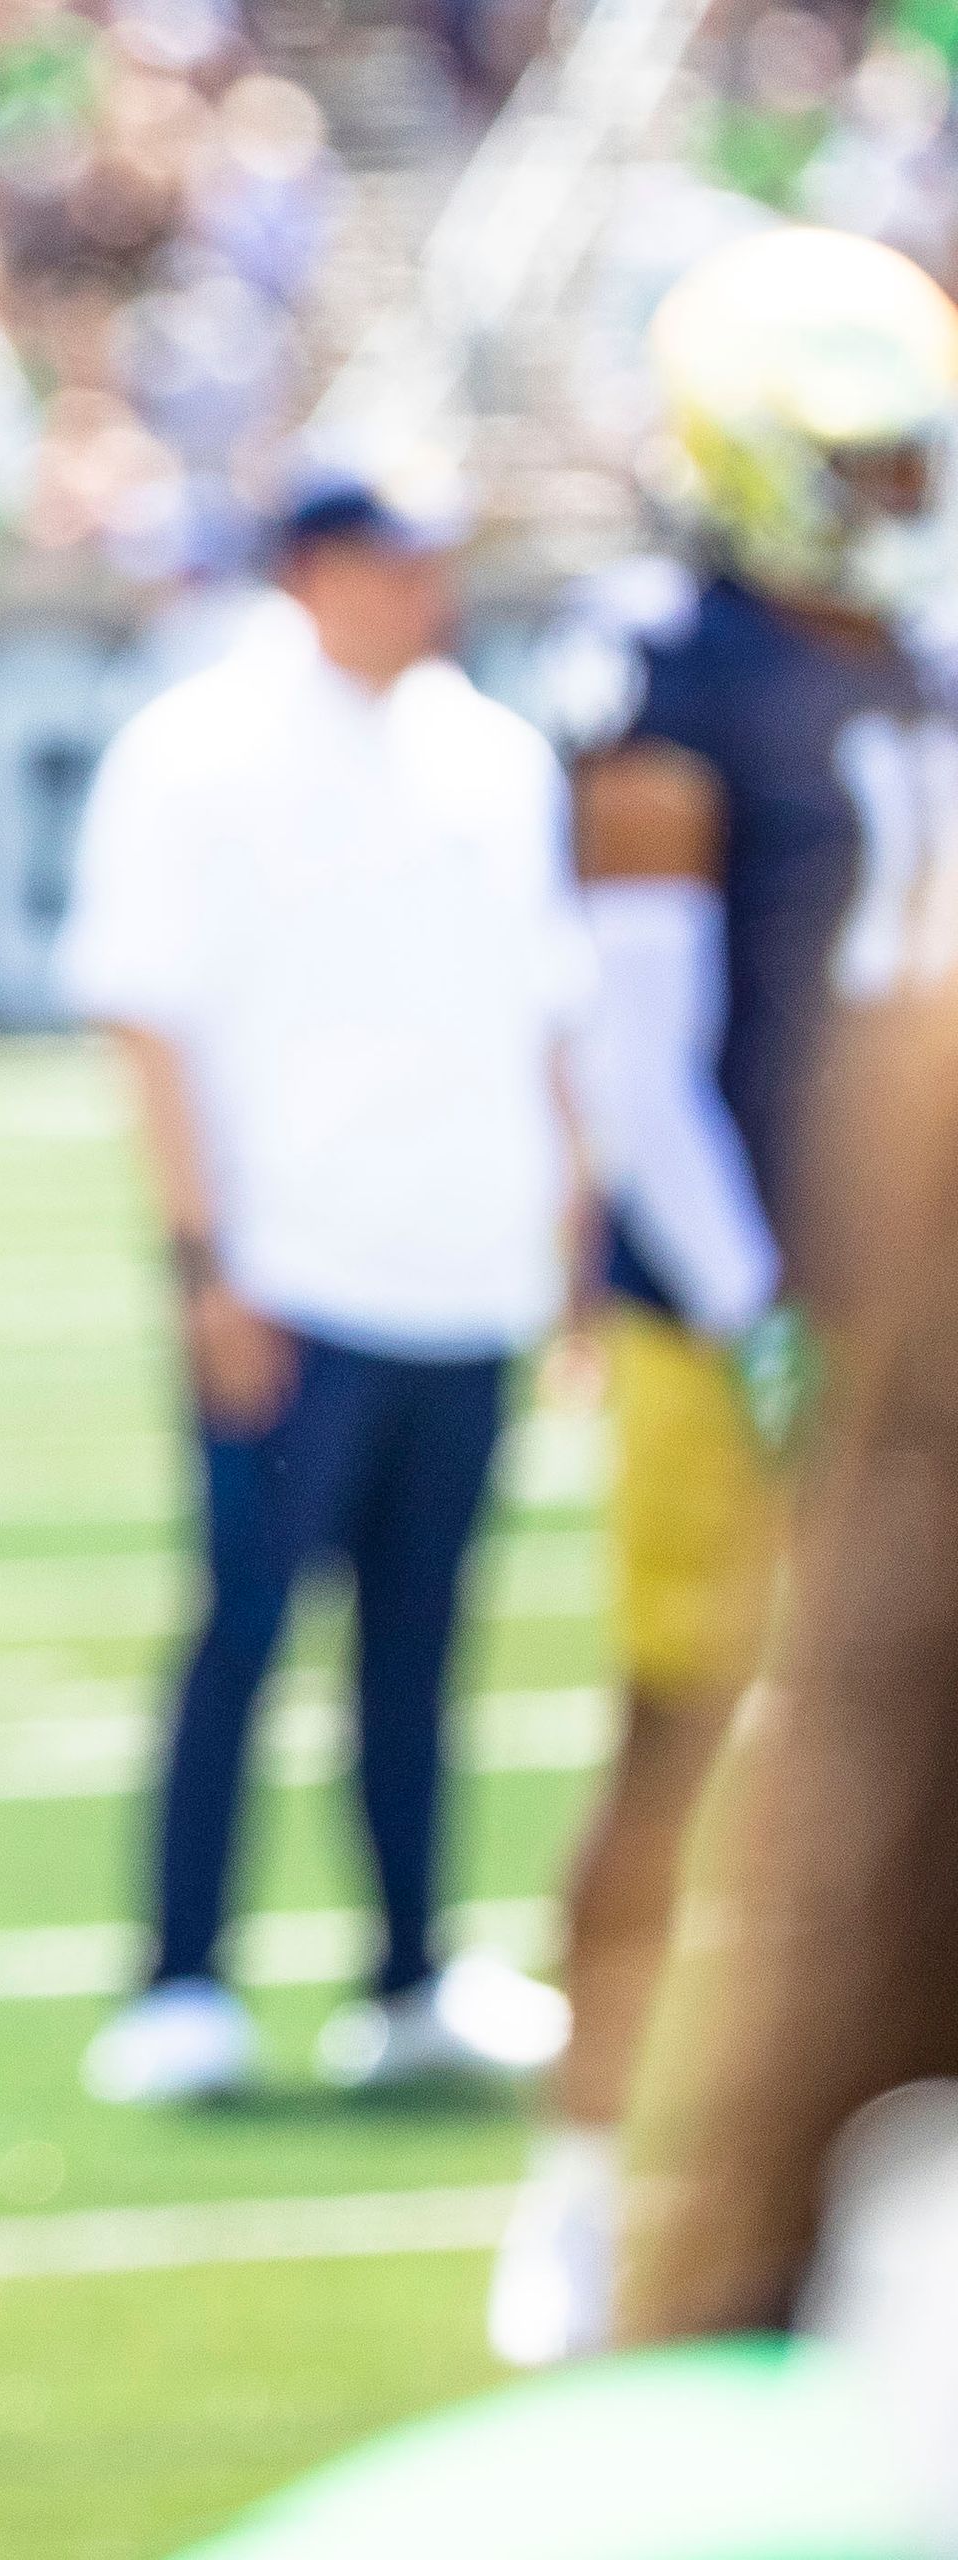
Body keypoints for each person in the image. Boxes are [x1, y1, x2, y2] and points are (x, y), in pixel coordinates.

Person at [164, 979, 958, 2559]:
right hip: (350, 1276)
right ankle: (507, 2143)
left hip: (479, 1286)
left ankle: (518, 2111)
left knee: (460, 1676)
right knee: (592, 1715)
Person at [491, 223, 958, 2369]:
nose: (897, 494)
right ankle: (585, 2183)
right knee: (691, 1735)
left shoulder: (898, 657)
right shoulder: (667, 671)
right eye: (860, 458)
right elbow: (636, 1049)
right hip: (736, 1304)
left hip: (901, 1301)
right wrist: (766, 1292)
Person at [64, 461, 594, 2109]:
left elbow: (547, 1012)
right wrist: (207, 1265)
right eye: (395, 556)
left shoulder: (496, 754)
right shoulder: (195, 745)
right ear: (310, 568)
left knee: (426, 1647)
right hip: (293, 1275)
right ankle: (183, 1978)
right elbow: (146, 1012)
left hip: (467, 1273)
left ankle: (414, 1971)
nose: (429, 585)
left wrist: (570, 1245)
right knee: (244, 1627)